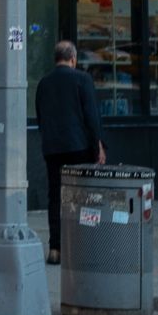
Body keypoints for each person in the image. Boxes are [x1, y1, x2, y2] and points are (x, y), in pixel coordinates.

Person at [35, 39, 106, 266]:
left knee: (55, 197)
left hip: (53, 148)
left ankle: (55, 248)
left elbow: (40, 117)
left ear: (56, 58)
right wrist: (98, 146)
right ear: (73, 59)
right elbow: (92, 117)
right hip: (79, 148)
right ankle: (81, 246)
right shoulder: (82, 80)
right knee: (83, 197)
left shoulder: (44, 83)